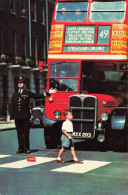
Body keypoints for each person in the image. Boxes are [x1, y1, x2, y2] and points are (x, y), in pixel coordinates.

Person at [10, 75, 52, 154]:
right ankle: (21, 148)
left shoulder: (27, 93)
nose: (20, 84)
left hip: (25, 117)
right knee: (19, 133)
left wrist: (48, 93)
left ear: (24, 84)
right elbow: (12, 106)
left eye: (21, 82)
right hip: (17, 117)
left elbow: (37, 96)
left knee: (26, 133)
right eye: (19, 82)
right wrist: (12, 118)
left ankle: (27, 148)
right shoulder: (15, 94)